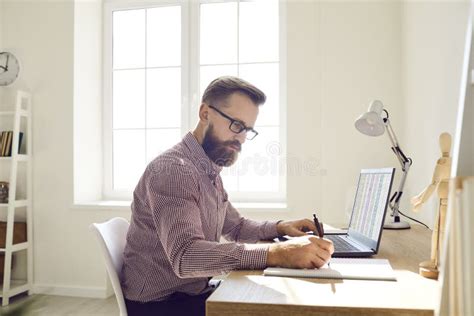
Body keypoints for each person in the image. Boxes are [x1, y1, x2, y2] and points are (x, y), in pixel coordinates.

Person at [122, 76, 334, 316]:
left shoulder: (207, 168)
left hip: (190, 292)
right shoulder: (174, 171)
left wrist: (281, 227)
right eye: (236, 125)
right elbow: (186, 257)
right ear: (205, 113)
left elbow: (236, 227)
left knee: (278, 298)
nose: (241, 138)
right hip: (161, 306)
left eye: (247, 130)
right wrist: (277, 254)